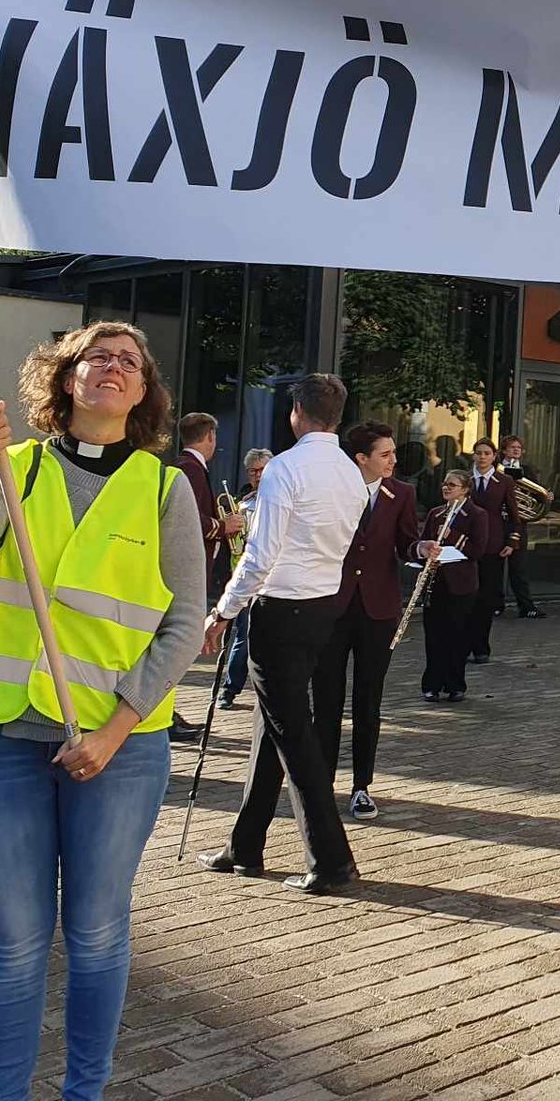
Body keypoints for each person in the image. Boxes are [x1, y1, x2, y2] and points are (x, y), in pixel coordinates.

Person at [0, 321, 205, 1100]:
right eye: (95, 357)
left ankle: (85, 1092)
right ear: (65, 378)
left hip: (118, 749)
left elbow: (186, 622)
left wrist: (116, 728)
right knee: (14, 944)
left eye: (128, 361)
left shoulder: (166, 487)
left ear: (143, 391)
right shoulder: (16, 469)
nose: (111, 368)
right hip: (2, 735)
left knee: (98, 933)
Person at [199, 373, 365, 897]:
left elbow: (260, 554)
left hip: (282, 608)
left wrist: (224, 609)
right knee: (273, 725)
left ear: (297, 412)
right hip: (321, 607)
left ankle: (332, 860)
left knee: (293, 734)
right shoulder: (349, 472)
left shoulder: (286, 468)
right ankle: (244, 845)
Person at [312, 422, 420, 822]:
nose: (393, 460)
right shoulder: (332, 487)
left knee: (368, 701)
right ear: (362, 458)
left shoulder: (401, 494)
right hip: (332, 606)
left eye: (393, 453)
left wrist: (420, 547)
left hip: (378, 610)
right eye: (385, 454)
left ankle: (361, 785)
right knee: (325, 699)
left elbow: (406, 540)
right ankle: (319, 783)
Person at [171, 413, 243, 743]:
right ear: (210, 436)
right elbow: (186, 516)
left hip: (196, 566)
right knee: (176, 643)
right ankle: (165, 714)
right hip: (187, 568)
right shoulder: (189, 468)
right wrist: (222, 526)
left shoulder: (189, 466)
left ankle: (167, 712)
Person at [418, 470, 490, 702]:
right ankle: (432, 684)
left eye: (452, 485)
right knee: (434, 636)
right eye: (445, 484)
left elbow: (478, 550)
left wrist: (454, 535)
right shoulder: (436, 513)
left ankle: (455, 684)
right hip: (436, 581)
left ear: (465, 489)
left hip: (461, 584)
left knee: (458, 635)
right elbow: (425, 539)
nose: (446, 488)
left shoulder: (477, 514)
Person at [217, 447, 272, 708]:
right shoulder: (244, 503)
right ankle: (229, 689)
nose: (258, 475)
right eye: (253, 471)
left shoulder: (281, 499)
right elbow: (236, 547)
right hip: (248, 577)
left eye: (263, 469)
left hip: (276, 580)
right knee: (242, 636)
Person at [463, 438, 520, 664]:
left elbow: (514, 515)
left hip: (493, 544)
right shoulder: (465, 479)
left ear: (494, 456)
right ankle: (463, 644)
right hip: (466, 544)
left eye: (487, 453)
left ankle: (481, 647)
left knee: (485, 599)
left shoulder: (503, 481)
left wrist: (512, 541)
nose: (482, 457)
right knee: (466, 596)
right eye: (478, 453)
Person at [497, 434, 549, 618]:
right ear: (503, 450)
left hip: (518, 524)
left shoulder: (526, 470)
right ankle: (496, 604)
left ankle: (526, 606)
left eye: (519, 448)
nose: (516, 450)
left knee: (518, 568)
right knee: (494, 568)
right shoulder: (496, 469)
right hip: (497, 523)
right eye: (512, 447)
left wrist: (545, 496)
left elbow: (536, 494)